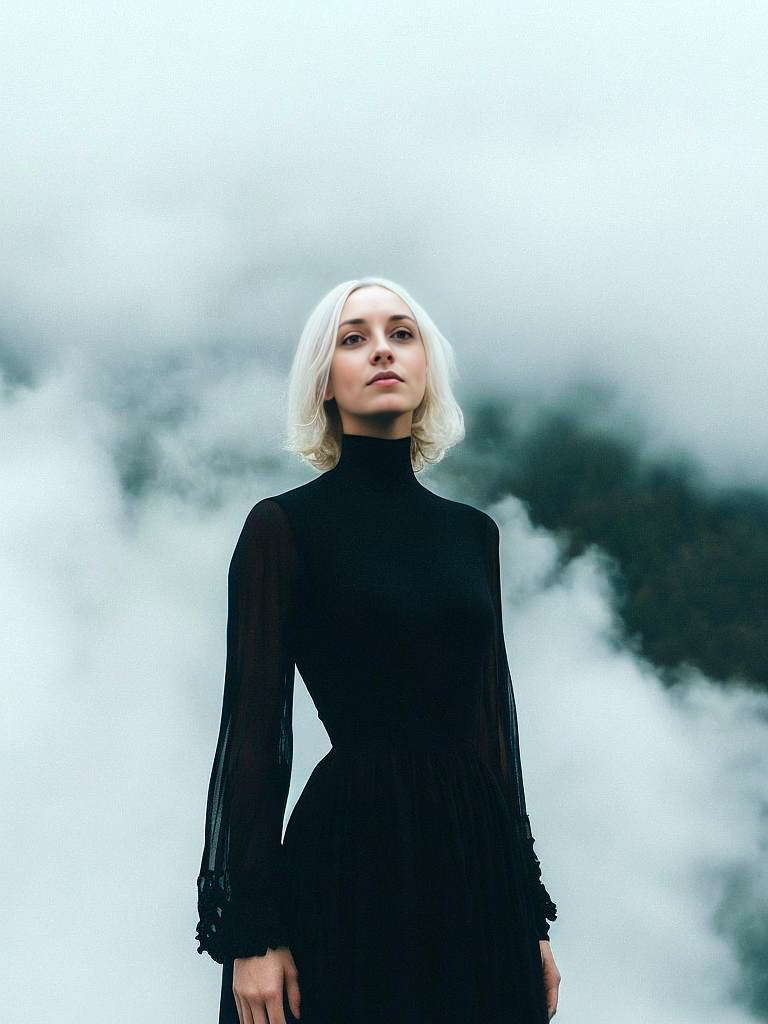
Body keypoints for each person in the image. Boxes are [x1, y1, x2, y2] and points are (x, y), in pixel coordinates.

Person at [195, 276, 562, 1024]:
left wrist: (529, 918)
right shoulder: (282, 527)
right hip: (350, 859)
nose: (382, 352)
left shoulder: (472, 534)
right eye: (353, 339)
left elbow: (494, 729)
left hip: (475, 863)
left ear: (427, 367)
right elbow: (255, 737)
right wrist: (252, 936)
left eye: (401, 333)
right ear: (324, 381)